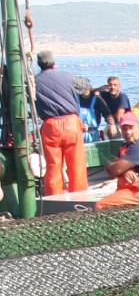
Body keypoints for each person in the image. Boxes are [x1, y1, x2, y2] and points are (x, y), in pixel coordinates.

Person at [31, 50, 88, 195]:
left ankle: (54, 199)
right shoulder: (67, 76)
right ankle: (79, 198)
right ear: (54, 63)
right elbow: (85, 85)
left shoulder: (34, 82)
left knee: (52, 167)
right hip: (71, 124)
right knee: (77, 165)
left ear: (39, 64)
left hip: (50, 126)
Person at [94, 112, 139, 209]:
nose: (128, 132)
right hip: (133, 189)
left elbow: (115, 169)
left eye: (131, 127)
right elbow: (114, 166)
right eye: (124, 129)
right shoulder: (126, 144)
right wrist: (124, 171)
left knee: (100, 205)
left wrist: (120, 169)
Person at [76, 78, 119, 144]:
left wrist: (112, 124)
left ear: (90, 87)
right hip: (78, 133)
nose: (85, 90)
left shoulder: (97, 100)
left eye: (86, 87)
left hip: (92, 134)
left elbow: (107, 113)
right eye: (83, 88)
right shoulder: (75, 99)